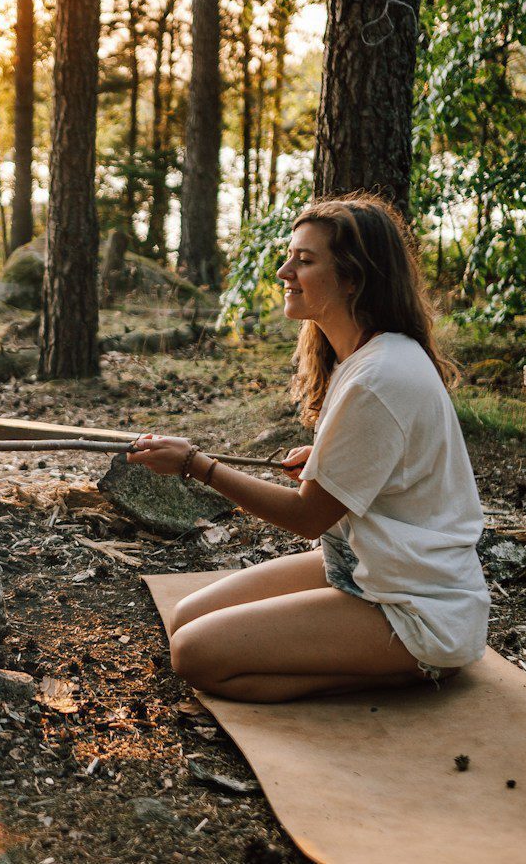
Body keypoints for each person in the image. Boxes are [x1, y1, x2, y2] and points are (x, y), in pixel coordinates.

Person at [128, 193, 489, 702]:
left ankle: (415, 666)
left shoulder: (380, 376)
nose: (284, 271)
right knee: (185, 616)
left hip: (417, 604)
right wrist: (327, 461)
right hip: (366, 566)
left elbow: (307, 518)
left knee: (194, 655)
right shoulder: (364, 357)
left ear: (353, 277)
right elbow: (377, 474)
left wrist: (196, 466)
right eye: (289, 256)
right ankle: (393, 661)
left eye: (304, 260)